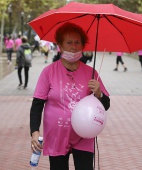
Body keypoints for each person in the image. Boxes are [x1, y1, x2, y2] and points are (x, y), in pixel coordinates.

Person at [30, 22, 110, 170]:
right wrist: (34, 132)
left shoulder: (91, 73)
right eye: (69, 42)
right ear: (60, 45)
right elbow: (37, 104)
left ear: (82, 45)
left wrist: (99, 93)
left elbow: (106, 105)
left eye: (77, 42)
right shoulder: (49, 72)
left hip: (84, 135)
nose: (73, 46)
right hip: (56, 135)